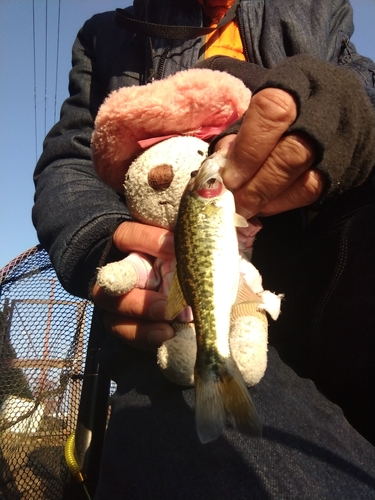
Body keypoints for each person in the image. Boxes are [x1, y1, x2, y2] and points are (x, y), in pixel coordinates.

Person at [32, 0, 375, 498]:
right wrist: (98, 237)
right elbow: (69, 159)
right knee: (196, 441)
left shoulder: (316, 8)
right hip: (166, 308)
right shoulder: (103, 35)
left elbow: (364, 88)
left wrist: (340, 115)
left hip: (321, 275)